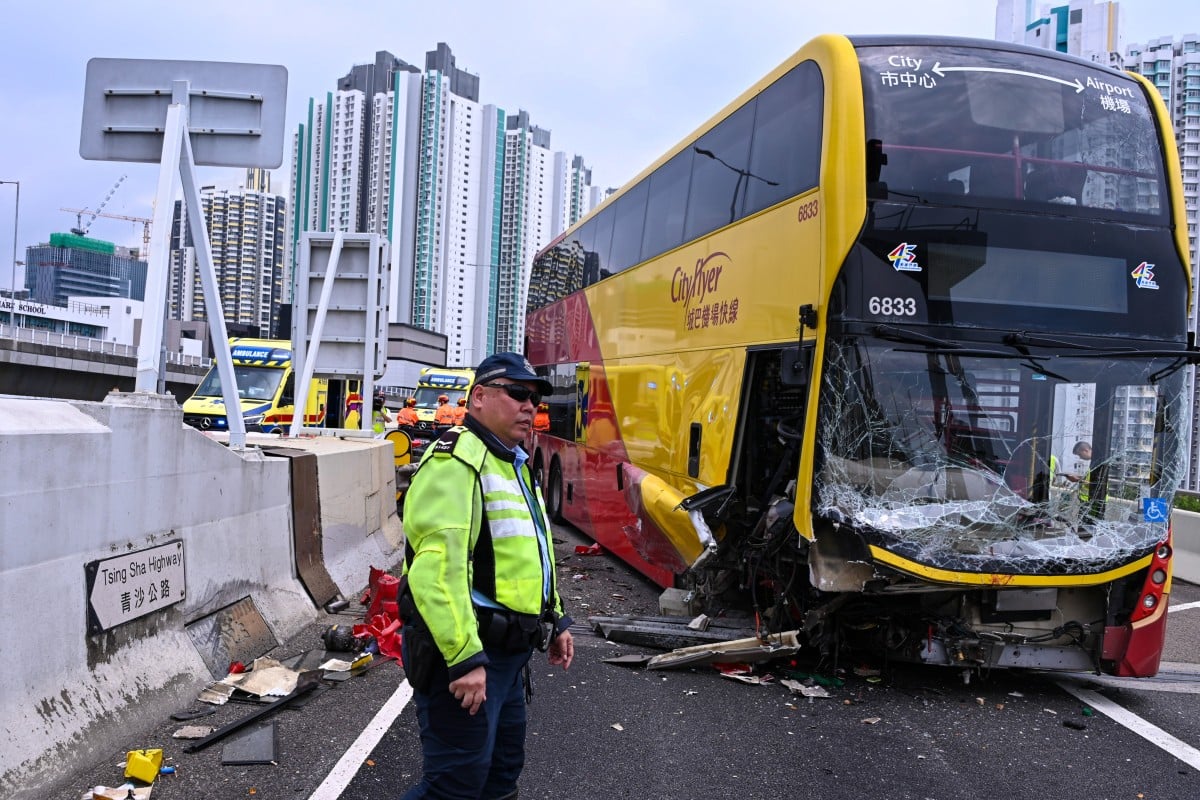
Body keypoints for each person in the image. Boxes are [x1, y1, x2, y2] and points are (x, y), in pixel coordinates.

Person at [399, 352, 574, 799]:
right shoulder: (457, 462)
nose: (529, 406)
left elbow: (532, 550)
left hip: (509, 657)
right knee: (453, 787)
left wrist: (555, 617)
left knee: (500, 777)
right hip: (469, 653)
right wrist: (464, 659)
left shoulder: (512, 462)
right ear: (478, 397)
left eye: (534, 398)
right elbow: (437, 572)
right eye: (516, 393)